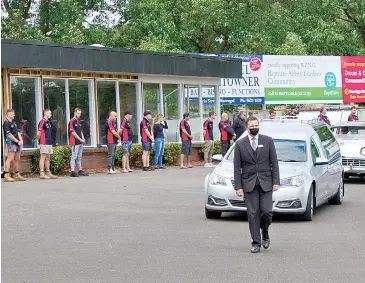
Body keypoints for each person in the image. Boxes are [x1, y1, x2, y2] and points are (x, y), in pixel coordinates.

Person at [233, 116, 280, 253]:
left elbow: (274, 162)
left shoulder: (268, 140)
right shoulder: (240, 144)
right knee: (252, 214)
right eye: (251, 126)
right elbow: (237, 168)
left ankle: (265, 232)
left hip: (266, 181)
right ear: (247, 127)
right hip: (248, 183)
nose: (254, 128)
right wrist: (238, 187)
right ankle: (256, 242)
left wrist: (276, 181)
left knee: (267, 212)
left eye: (256, 125)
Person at [2, 109, 26, 182]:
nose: (14, 115)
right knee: (10, 158)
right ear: (8, 114)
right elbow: (9, 134)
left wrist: (21, 140)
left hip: (18, 143)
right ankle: (6, 175)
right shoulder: (6, 123)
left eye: (14, 113)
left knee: (17, 159)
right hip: (11, 143)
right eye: (12, 114)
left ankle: (16, 174)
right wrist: (17, 141)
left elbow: (18, 132)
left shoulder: (14, 123)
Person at [37, 109, 58, 179]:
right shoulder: (42, 122)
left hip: (49, 142)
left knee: (48, 157)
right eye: (49, 113)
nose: (51, 115)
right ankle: (42, 173)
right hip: (44, 141)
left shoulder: (48, 122)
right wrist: (39, 141)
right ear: (45, 113)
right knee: (43, 156)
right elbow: (39, 132)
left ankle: (48, 171)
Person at [69, 108, 88, 177]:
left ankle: (80, 170)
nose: (79, 115)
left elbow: (80, 131)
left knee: (79, 157)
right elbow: (73, 132)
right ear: (74, 113)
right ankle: (72, 171)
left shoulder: (78, 121)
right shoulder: (72, 121)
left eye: (80, 113)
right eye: (78, 113)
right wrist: (80, 139)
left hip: (80, 142)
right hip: (74, 142)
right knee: (74, 156)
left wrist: (83, 139)